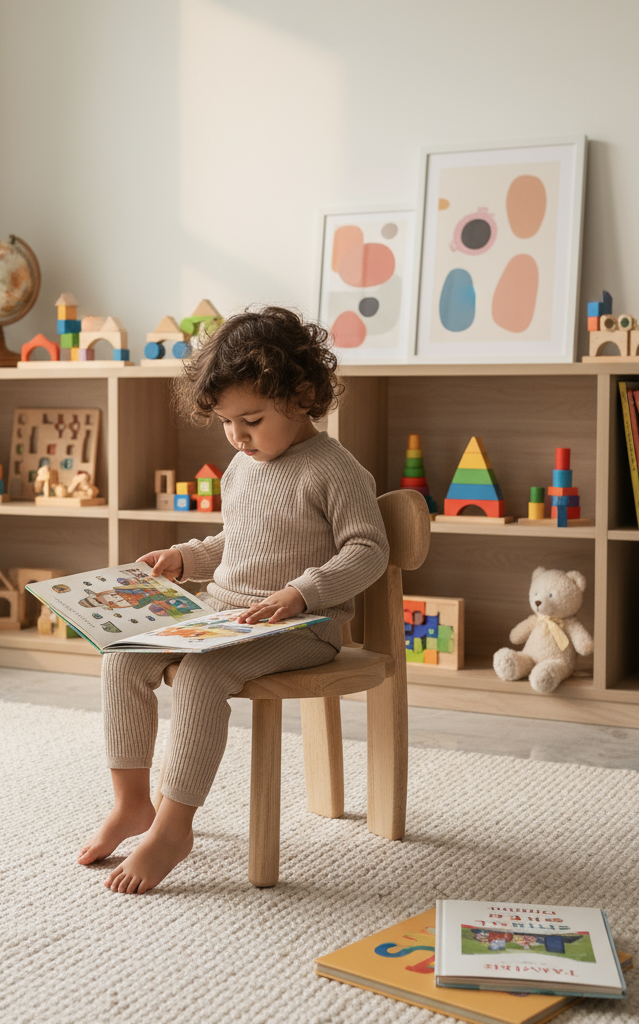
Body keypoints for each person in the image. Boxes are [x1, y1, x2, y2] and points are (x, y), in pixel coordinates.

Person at [77, 305, 390, 894]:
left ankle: (174, 828)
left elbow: (368, 551)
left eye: (251, 419)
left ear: (302, 396)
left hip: (304, 627)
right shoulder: (242, 467)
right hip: (223, 614)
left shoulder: (336, 469)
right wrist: (187, 559)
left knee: (201, 675)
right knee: (122, 655)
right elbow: (238, 541)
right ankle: (132, 803)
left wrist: (302, 593)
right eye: (225, 422)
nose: (237, 436)